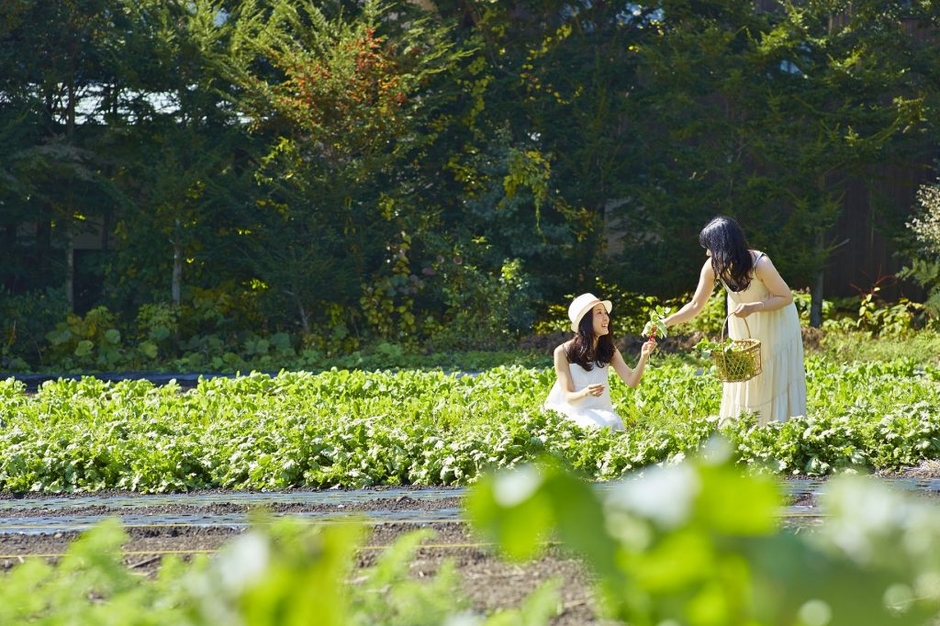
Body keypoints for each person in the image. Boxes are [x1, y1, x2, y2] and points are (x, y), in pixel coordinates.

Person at [662, 215, 807, 426]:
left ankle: (778, 426)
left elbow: (785, 297)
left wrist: (754, 307)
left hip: (775, 322)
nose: (707, 253)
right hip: (745, 325)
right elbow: (695, 305)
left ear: (725, 246)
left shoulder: (760, 264)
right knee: (747, 374)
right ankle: (747, 425)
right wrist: (666, 322)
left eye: (710, 248)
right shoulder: (713, 267)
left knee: (772, 374)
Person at [543, 293, 657, 431]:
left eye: (605, 313)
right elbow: (569, 398)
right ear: (585, 320)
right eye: (599, 313)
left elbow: (632, 381)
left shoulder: (609, 350)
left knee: (611, 424)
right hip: (574, 411)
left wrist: (644, 356)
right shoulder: (562, 352)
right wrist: (586, 392)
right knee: (599, 427)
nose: (606, 318)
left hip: (602, 411)